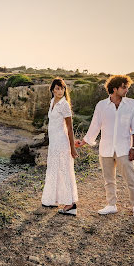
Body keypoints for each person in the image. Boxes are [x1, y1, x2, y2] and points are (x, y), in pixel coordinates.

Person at [75, 75, 134, 219]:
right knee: (109, 180)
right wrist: (84, 141)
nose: (126, 90)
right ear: (114, 88)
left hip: (124, 148)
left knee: (131, 179)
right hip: (105, 148)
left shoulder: (131, 104)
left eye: (127, 87)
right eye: (124, 87)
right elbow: (95, 126)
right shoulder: (101, 105)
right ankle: (111, 205)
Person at [41, 78, 79, 216]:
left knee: (64, 170)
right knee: (53, 169)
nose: (60, 91)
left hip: (62, 143)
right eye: (57, 88)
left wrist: (72, 147)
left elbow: (69, 128)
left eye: (62, 88)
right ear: (52, 90)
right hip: (54, 143)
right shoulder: (52, 102)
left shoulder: (64, 105)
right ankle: (52, 199)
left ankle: (71, 204)